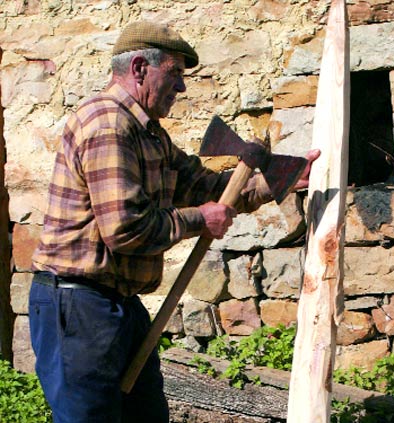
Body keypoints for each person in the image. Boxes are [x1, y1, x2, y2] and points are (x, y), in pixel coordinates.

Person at [29, 20, 319, 423]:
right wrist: (201, 219)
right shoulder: (108, 124)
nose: (182, 88)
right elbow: (125, 228)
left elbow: (209, 188)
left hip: (117, 304)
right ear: (138, 68)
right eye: (175, 73)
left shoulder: (151, 135)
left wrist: (277, 182)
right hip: (78, 305)